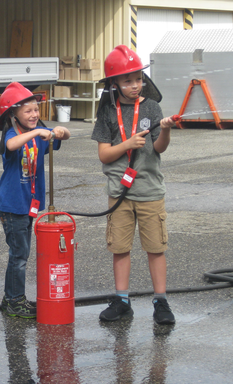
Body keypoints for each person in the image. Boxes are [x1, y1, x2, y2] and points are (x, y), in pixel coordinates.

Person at [91, 45, 176, 325]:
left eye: (138, 78)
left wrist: (164, 130)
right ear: (114, 83)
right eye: (128, 81)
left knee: (155, 247)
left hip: (150, 190)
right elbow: (104, 154)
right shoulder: (107, 110)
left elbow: (159, 149)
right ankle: (122, 300)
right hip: (119, 193)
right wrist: (127, 144)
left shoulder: (151, 106)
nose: (135, 85)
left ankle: (161, 301)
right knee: (120, 248)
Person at [0, 82, 71, 318]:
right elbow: (11, 145)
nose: (34, 115)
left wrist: (59, 131)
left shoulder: (41, 133)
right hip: (13, 206)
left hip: (29, 205)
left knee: (20, 253)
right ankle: (16, 300)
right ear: (13, 114)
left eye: (36, 110)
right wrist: (38, 131)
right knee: (19, 255)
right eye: (27, 111)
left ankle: (11, 298)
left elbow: (65, 137)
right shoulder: (13, 134)